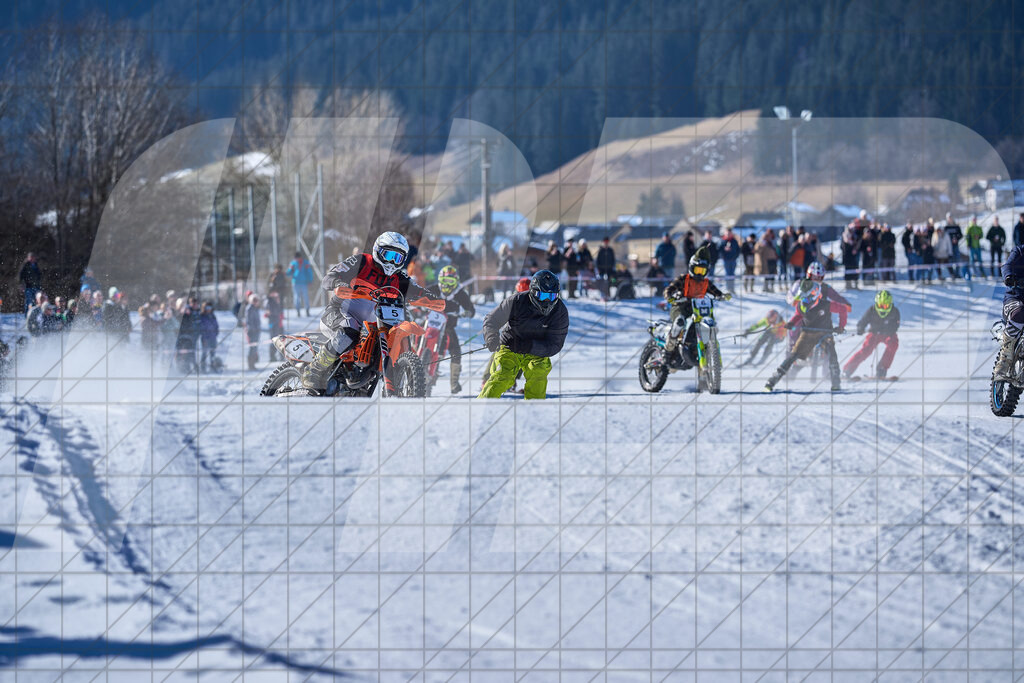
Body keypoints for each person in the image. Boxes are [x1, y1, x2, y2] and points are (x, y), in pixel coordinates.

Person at [301, 232, 450, 392]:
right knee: (348, 332)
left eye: (397, 258)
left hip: (372, 323)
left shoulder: (398, 277)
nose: (392, 262)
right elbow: (329, 278)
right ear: (378, 251)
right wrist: (339, 283)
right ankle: (313, 371)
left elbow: (416, 290)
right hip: (339, 313)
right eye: (389, 255)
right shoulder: (361, 261)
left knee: (387, 337)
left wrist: (433, 299)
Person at [478, 270, 569, 399]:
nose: (548, 300)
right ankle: (483, 403)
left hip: (537, 352)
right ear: (533, 291)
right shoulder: (516, 301)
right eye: (543, 296)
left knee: (538, 374)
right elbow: (492, 320)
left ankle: (533, 409)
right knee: (503, 375)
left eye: (552, 296)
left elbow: (555, 344)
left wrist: (530, 346)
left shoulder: (559, 312)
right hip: (510, 346)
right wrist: (491, 337)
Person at [764, 280, 842, 392]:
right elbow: (798, 315)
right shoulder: (802, 305)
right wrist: (791, 323)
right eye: (803, 298)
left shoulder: (826, 305)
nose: (804, 301)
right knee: (793, 355)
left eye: (807, 298)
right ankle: (772, 381)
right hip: (807, 333)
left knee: (831, 355)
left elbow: (842, 309)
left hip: (825, 333)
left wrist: (841, 326)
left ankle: (836, 383)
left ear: (815, 295)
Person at [662, 247, 731, 364]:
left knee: (709, 324)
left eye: (702, 271)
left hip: (698, 311)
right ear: (691, 267)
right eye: (698, 270)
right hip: (680, 308)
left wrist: (723, 296)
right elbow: (669, 289)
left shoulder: (706, 283)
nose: (700, 274)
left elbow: (716, 292)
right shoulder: (684, 279)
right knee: (679, 322)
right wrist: (670, 296)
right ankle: (667, 351)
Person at [426, 265, 476, 394]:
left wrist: (468, 312)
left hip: (447, 327)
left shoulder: (460, 294)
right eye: (444, 281)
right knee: (416, 337)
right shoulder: (432, 289)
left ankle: (454, 383)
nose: (447, 285)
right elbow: (419, 297)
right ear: (439, 280)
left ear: (456, 282)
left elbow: (470, 308)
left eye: (451, 282)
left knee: (456, 352)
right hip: (430, 324)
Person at [843, 290, 901, 379]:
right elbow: (863, 320)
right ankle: (847, 370)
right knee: (866, 350)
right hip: (874, 334)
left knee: (893, 344)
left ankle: (882, 368)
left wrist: (888, 331)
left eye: (886, 306)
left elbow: (896, 325)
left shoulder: (895, 311)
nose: (883, 308)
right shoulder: (872, 310)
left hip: (888, 334)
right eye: (881, 305)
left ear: (890, 304)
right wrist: (860, 328)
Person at [286, 251, 314, 317]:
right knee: (296, 297)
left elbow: (309, 272)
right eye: (296, 258)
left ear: (300, 257)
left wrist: (310, 280)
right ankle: (298, 311)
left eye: (297, 258)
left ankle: (307, 310)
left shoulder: (305, 263)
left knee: (305, 297)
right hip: (295, 283)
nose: (297, 259)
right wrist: (290, 270)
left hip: (304, 283)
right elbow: (288, 273)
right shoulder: (293, 263)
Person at [197, 301, 220, 371]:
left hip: (213, 337)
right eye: (207, 307)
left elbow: (216, 325)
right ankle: (203, 368)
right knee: (204, 353)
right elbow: (201, 328)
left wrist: (216, 333)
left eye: (210, 307)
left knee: (213, 353)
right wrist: (204, 338)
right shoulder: (201, 316)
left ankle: (213, 367)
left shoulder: (213, 315)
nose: (209, 309)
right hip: (205, 338)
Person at [265, 291, 285, 360]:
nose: (278, 298)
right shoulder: (270, 303)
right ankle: (272, 357)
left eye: (278, 297)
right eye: (276, 297)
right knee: (274, 341)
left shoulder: (278, 304)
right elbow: (270, 313)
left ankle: (281, 356)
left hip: (279, 325)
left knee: (281, 341)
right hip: (273, 325)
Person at [244, 294, 262, 371]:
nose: (256, 302)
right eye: (254, 300)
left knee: (255, 348)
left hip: (256, 331)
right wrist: (253, 329)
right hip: (252, 331)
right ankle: (250, 365)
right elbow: (249, 321)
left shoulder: (256, 308)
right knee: (252, 348)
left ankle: (253, 364)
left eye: (256, 300)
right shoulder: (249, 309)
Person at [944, 213, 964, 279]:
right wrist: (950, 240)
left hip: (956, 246)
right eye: (949, 218)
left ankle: (957, 273)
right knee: (950, 261)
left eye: (951, 217)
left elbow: (961, 235)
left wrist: (956, 238)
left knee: (957, 259)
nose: (950, 219)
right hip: (949, 247)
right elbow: (944, 236)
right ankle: (952, 274)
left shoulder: (956, 226)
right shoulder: (946, 227)